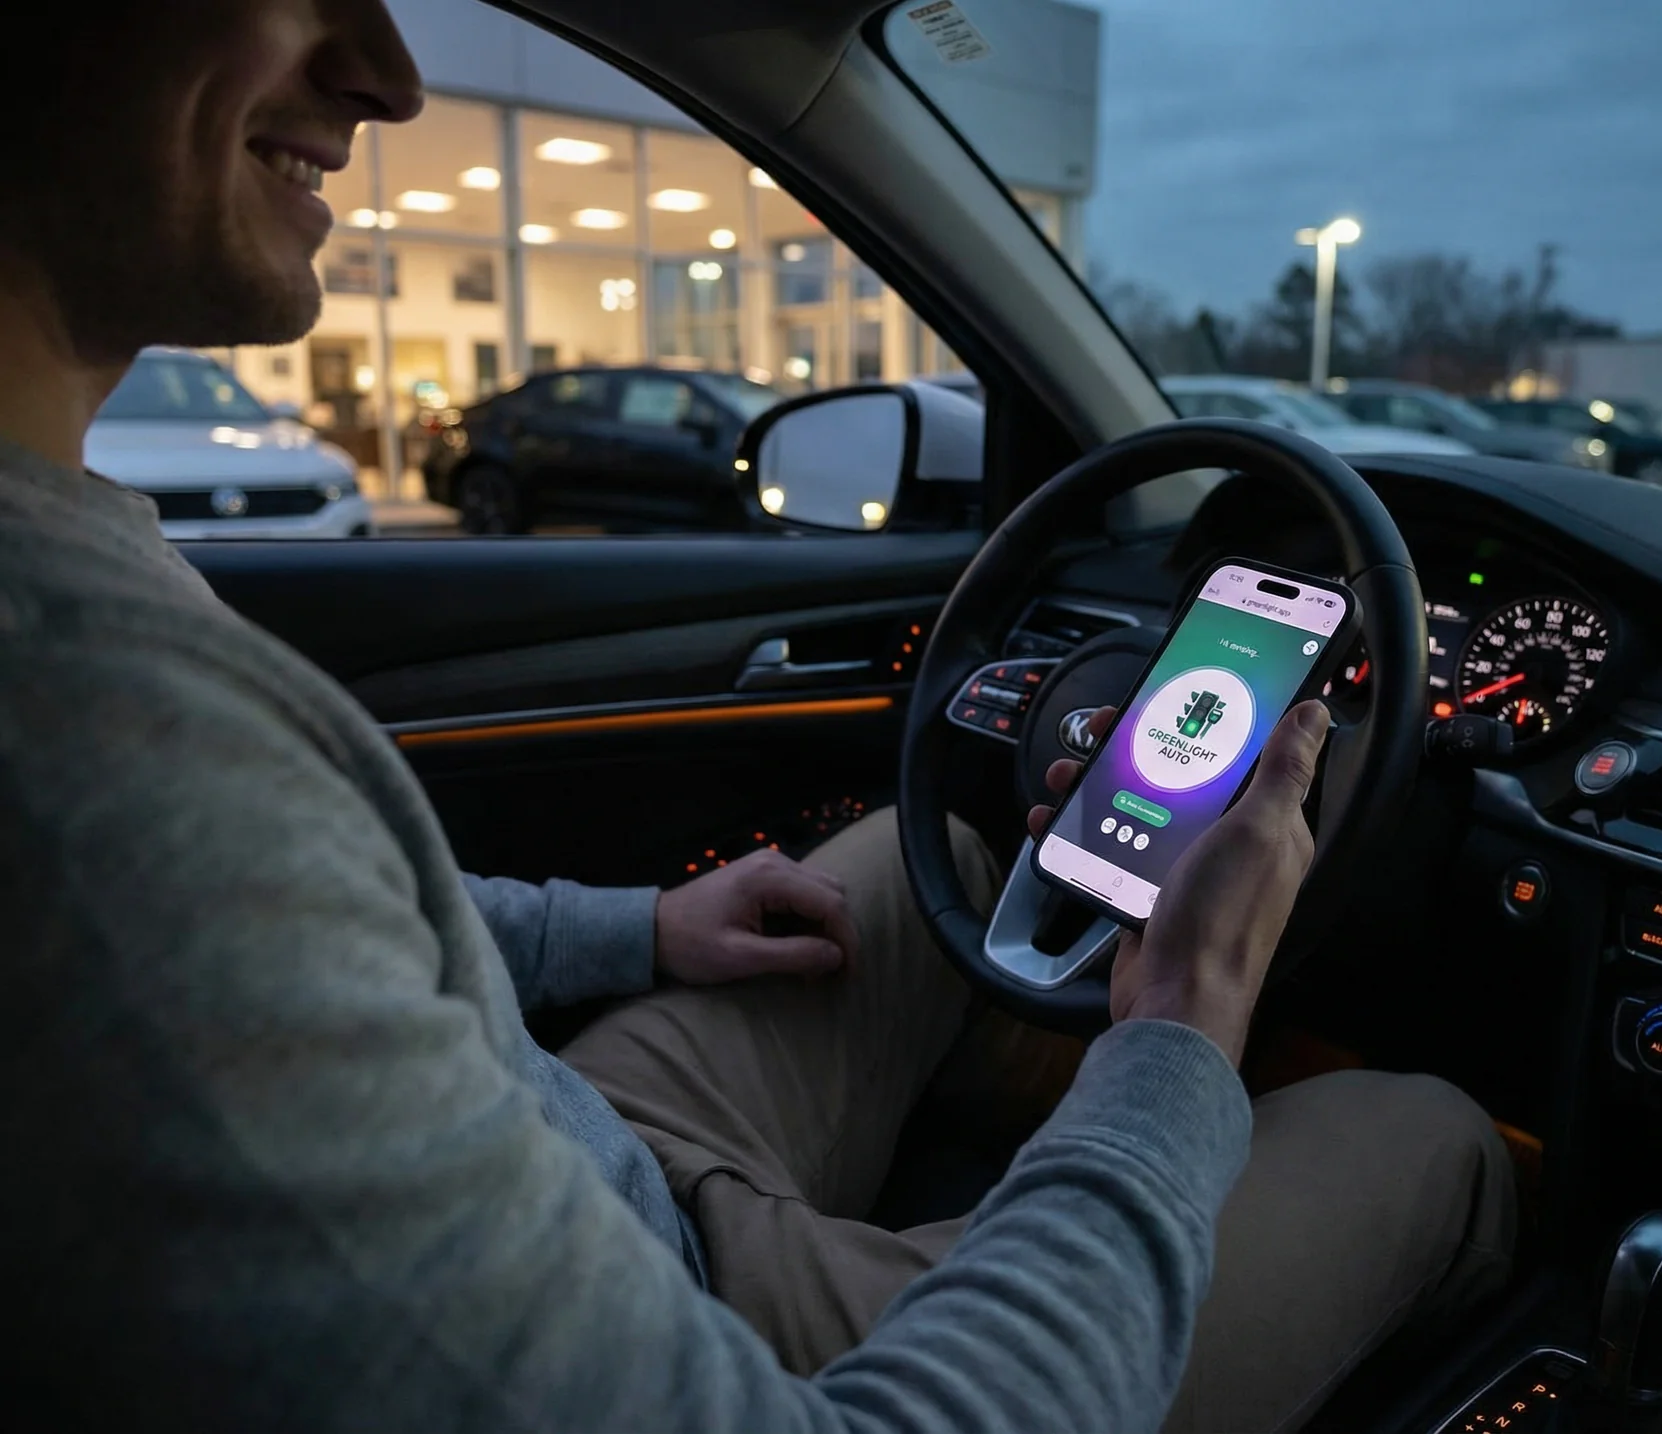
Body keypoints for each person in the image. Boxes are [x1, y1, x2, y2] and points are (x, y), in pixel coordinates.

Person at [0, 2, 1514, 1430]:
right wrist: (1182, 1031)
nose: (389, 75)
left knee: (964, 874)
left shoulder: (77, 564)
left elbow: (343, 913)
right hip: (689, 1311)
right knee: (1437, 1134)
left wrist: (645, 930)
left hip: (573, 1141)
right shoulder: (92, 743)